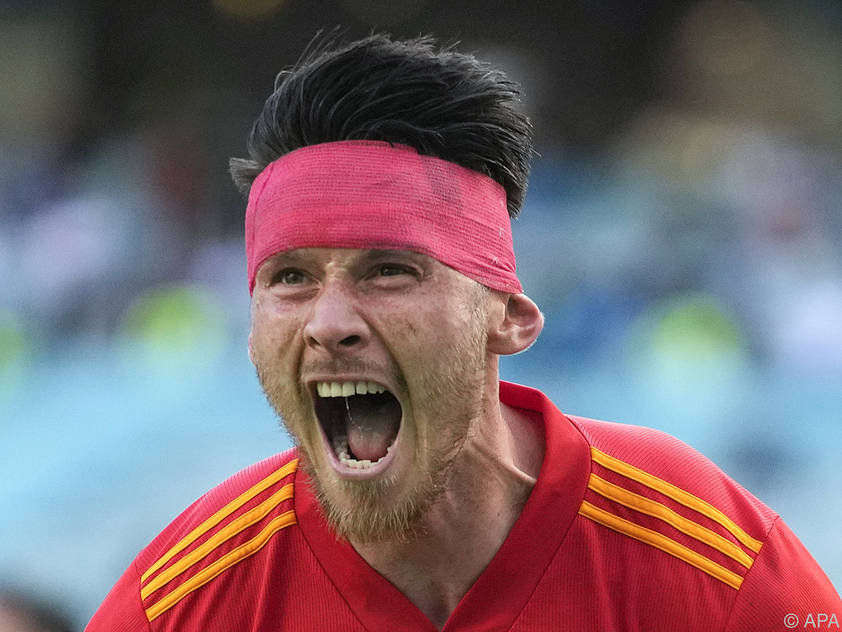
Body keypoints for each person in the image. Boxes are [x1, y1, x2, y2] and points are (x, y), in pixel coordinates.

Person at [87, 33, 841, 631]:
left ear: (508, 318)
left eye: (389, 271)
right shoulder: (185, 600)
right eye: (290, 278)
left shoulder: (709, 563)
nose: (329, 323)